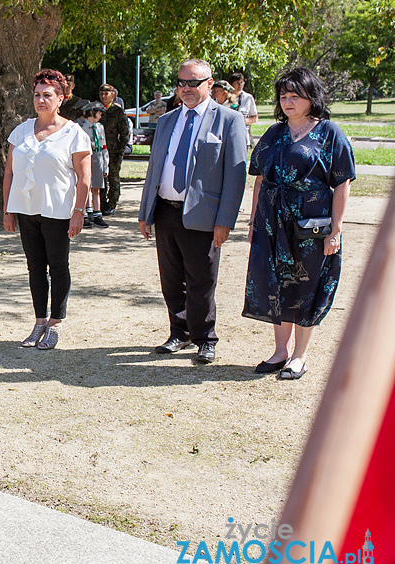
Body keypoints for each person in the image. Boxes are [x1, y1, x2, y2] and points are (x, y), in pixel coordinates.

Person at [244, 67, 355, 380]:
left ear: (311, 97)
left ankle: (299, 356)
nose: (287, 101)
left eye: (295, 95)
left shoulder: (329, 133)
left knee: (306, 285)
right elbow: (260, 180)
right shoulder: (274, 133)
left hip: (312, 226)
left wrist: (337, 229)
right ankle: (280, 352)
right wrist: (254, 222)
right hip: (272, 224)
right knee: (277, 284)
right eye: (283, 95)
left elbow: (343, 183)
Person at [137, 59, 248, 364]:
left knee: (201, 281)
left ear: (210, 84)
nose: (185, 89)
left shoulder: (228, 120)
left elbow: (235, 177)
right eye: (181, 82)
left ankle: (205, 338)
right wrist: (145, 212)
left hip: (203, 215)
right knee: (171, 279)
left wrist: (225, 221)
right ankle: (179, 333)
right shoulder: (167, 121)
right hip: (165, 211)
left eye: (193, 83)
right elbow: (155, 169)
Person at [3, 69, 91, 349]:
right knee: (35, 267)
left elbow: (84, 177)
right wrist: (7, 209)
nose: (41, 100)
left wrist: (79, 211)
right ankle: (39, 321)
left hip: (58, 211)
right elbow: (9, 174)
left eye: (47, 95)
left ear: (61, 98)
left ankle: (55, 323)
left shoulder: (74, 133)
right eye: (37, 95)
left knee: (58, 266)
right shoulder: (21, 131)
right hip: (27, 209)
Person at [99, 83, 130, 215]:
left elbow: (124, 133)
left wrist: (120, 150)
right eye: (101, 94)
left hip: (113, 150)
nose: (103, 96)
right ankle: (100, 204)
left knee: (113, 177)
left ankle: (112, 203)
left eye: (106, 94)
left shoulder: (118, 112)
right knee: (100, 178)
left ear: (113, 95)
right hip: (99, 150)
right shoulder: (97, 110)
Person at [77, 102, 109, 228]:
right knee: (85, 185)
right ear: (91, 112)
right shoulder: (80, 127)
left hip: (97, 156)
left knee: (96, 186)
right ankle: (85, 213)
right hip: (86, 156)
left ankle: (97, 213)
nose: (100, 116)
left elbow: (104, 146)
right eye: (99, 113)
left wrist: (105, 165)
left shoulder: (99, 127)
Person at [229, 72, 259, 146]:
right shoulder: (225, 97)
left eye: (241, 83)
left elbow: (255, 117)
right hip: (228, 135)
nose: (240, 85)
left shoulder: (248, 97)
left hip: (243, 136)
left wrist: (244, 121)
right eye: (236, 83)